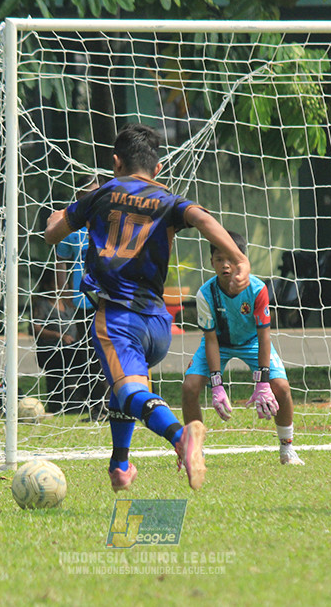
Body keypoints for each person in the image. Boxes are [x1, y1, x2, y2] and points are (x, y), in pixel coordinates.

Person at [44, 122, 250, 492]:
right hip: (158, 324)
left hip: (118, 318)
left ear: (116, 163)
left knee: (129, 392)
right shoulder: (168, 199)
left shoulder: (103, 192)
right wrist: (239, 259)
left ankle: (180, 437)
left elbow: (53, 232)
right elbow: (203, 219)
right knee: (121, 387)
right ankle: (120, 467)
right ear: (157, 170)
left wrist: (65, 212)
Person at [181, 231, 304, 466]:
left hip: (252, 342)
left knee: (282, 387)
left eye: (232, 260)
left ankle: (287, 448)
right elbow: (211, 340)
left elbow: (264, 336)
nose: (225, 266)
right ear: (211, 263)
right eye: (219, 260)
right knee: (189, 386)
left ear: (243, 261)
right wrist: (217, 386)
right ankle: (196, 451)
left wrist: (263, 382)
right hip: (219, 343)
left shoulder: (258, 290)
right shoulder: (205, 294)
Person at [54, 175, 109, 421]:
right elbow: (61, 259)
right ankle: (97, 408)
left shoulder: (111, 220)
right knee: (88, 355)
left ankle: (114, 405)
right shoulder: (73, 228)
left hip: (108, 300)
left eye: (93, 192)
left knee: (110, 352)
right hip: (82, 302)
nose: (88, 197)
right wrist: (62, 292)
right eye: (83, 193)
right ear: (77, 197)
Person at [29, 267, 82, 414]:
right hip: (52, 351)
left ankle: (79, 401)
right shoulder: (42, 305)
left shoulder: (68, 305)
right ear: (47, 285)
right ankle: (59, 405)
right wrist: (58, 335)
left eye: (62, 283)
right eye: (56, 283)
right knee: (67, 361)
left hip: (71, 348)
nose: (61, 287)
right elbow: (35, 329)